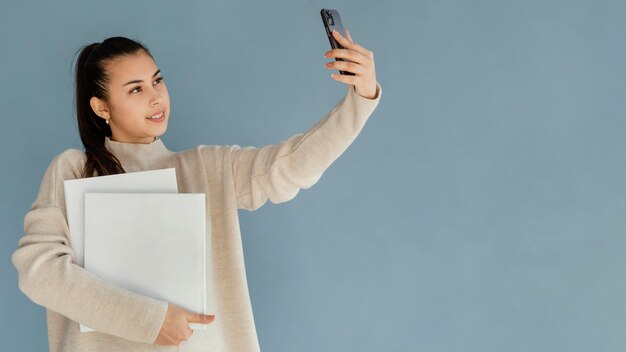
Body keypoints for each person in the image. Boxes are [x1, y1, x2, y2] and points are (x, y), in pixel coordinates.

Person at [11, 28, 381, 351]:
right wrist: (149, 319)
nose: (156, 97)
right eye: (136, 89)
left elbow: (290, 166)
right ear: (101, 106)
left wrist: (360, 100)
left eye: (157, 80)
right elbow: (39, 271)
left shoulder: (207, 169)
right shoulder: (74, 170)